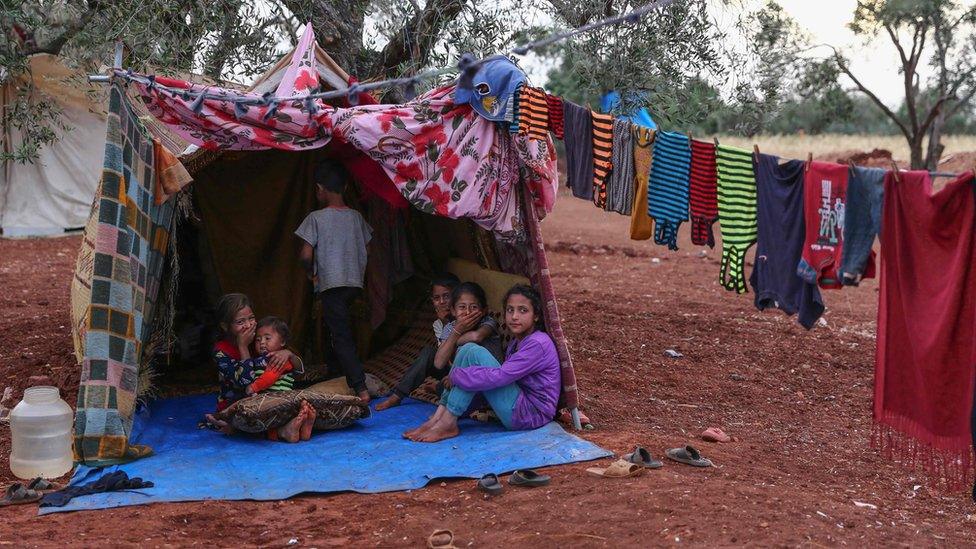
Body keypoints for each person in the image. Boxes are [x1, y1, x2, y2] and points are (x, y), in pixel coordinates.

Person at [404, 285, 561, 442]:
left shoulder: (538, 343)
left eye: (523, 310)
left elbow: (501, 377)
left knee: (474, 353)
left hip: (530, 414)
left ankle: (446, 422)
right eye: (510, 310)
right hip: (518, 405)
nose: (514, 316)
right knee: (468, 349)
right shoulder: (517, 342)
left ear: (536, 316)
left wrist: (457, 376)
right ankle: (439, 417)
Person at [296, 160, 373, 403]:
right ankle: (335, 372)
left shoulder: (315, 218)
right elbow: (368, 250)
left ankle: (360, 388)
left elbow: (305, 255)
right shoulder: (357, 217)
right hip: (353, 282)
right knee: (336, 327)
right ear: (346, 186)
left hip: (331, 284)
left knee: (341, 334)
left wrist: (311, 274)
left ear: (320, 189)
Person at [205, 293, 313, 443]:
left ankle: (290, 426)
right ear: (225, 326)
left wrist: (288, 353)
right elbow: (244, 383)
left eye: (251, 318)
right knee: (242, 418)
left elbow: (298, 370)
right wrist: (243, 347)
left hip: (265, 398)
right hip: (236, 402)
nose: (248, 325)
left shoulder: (258, 340)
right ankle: (281, 431)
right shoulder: (221, 352)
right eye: (240, 321)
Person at [375, 273, 460, 411]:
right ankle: (397, 396)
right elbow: (443, 359)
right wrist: (445, 322)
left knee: (451, 389)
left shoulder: (466, 316)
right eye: (436, 298)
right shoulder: (439, 323)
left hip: (465, 372)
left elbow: (460, 358)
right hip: (450, 368)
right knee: (428, 353)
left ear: (457, 295)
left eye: (446, 296)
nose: (442, 302)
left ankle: (439, 388)